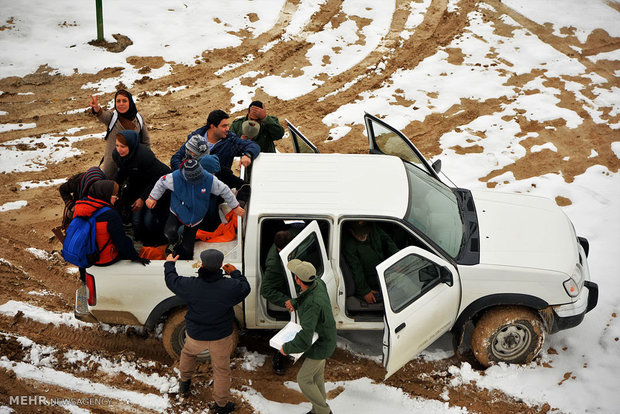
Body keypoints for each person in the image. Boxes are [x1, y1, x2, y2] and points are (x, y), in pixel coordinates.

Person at [164, 249, 250, 414]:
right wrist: (235, 273)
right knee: (221, 370)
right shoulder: (230, 286)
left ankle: (184, 383)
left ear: (202, 265)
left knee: (188, 354)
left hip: (196, 335)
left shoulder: (191, 285)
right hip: (221, 337)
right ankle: (221, 405)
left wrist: (169, 264)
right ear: (220, 266)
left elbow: (171, 280)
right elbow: (245, 288)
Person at [146, 159, 244, 259]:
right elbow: (161, 183)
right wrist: (152, 197)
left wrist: (235, 206)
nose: (197, 182)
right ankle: (175, 242)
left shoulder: (209, 179)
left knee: (188, 248)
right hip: (177, 210)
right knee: (169, 231)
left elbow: (224, 190)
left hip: (196, 216)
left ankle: (184, 262)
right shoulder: (174, 178)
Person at [280, 259, 336, 414]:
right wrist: (295, 302)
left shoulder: (312, 304)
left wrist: (287, 348)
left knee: (303, 379)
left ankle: (323, 412)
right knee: (317, 378)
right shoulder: (317, 282)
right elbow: (306, 295)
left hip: (321, 344)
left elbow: (305, 336)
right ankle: (317, 410)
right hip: (325, 337)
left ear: (298, 280)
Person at [172, 110, 260, 206]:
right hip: (191, 190)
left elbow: (253, 146)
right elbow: (176, 158)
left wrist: (248, 155)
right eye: (224, 126)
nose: (227, 129)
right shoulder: (195, 138)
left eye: (227, 125)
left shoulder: (230, 141)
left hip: (215, 193)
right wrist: (186, 173)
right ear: (213, 126)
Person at [112, 130, 171, 246]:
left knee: (149, 220)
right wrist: (112, 188)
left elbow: (156, 179)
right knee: (136, 220)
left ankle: (160, 243)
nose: (119, 150)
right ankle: (142, 244)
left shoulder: (145, 156)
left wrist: (142, 198)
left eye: (123, 146)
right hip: (138, 186)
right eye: (117, 145)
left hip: (158, 187)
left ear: (131, 145)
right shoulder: (117, 155)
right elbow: (122, 172)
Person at [72, 180, 149, 266]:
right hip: (104, 259)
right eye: (115, 195)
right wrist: (136, 257)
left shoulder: (79, 208)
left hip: (85, 256)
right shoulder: (110, 215)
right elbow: (121, 242)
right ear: (105, 194)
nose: (117, 198)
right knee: (129, 240)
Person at [260, 229, 300, 374]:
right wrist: (288, 301)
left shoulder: (292, 236)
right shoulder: (275, 265)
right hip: (287, 290)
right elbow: (266, 290)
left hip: (296, 281)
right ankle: (279, 355)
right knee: (295, 323)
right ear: (281, 249)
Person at [90, 90, 151, 178]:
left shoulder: (139, 118)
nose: (121, 104)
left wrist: (146, 158)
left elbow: (145, 141)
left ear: (130, 102)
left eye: (124, 101)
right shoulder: (112, 117)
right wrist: (96, 108)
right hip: (112, 162)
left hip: (132, 161)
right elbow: (102, 115)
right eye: (118, 101)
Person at [341, 221, 398, 304]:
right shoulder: (349, 246)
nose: (363, 235)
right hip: (374, 280)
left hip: (386, 269)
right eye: (359, 234)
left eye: (365, 232)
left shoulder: (373, 229)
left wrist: (395, 259)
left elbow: (387, 241)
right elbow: (356, 270)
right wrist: (365, 291)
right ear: (351, 231)